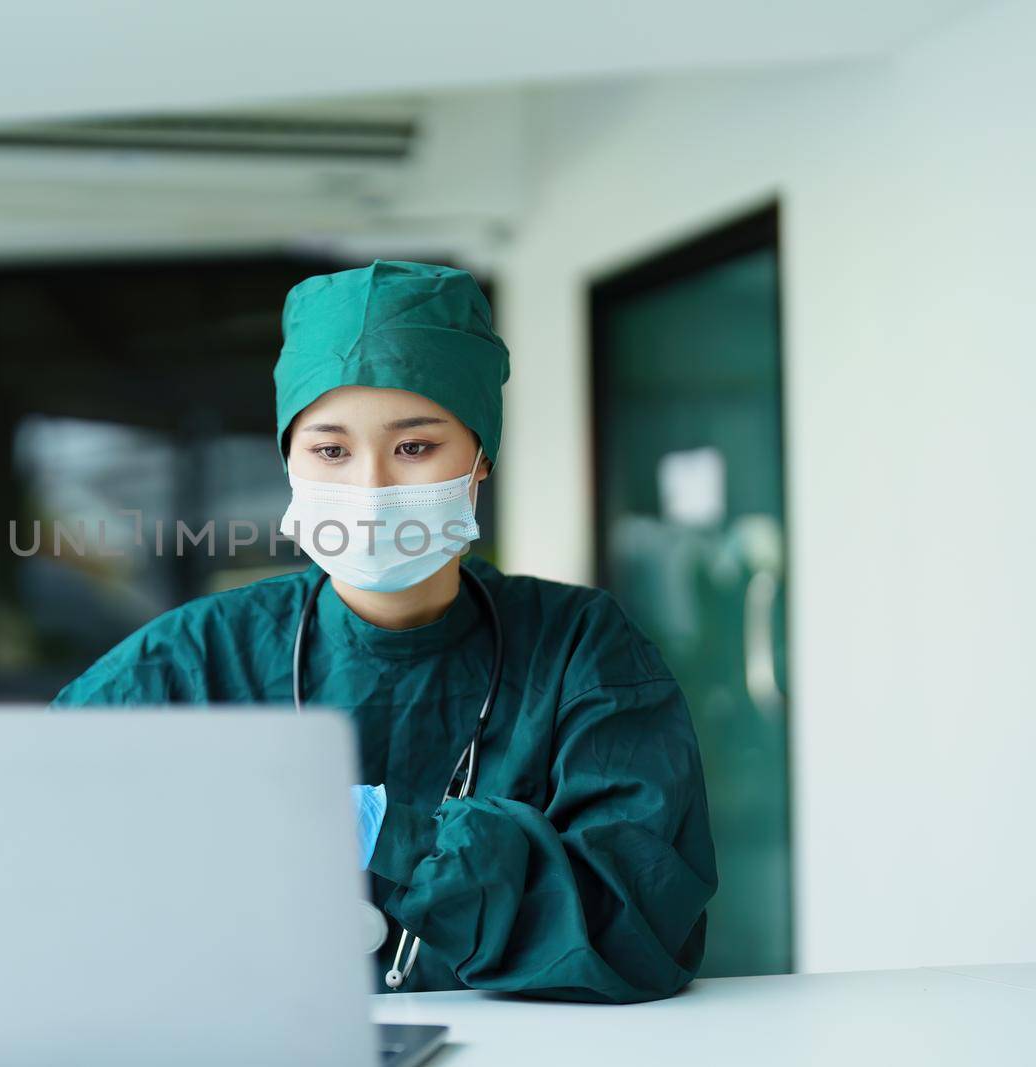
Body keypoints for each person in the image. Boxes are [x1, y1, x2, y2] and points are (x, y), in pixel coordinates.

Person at [51, 260, 717, 1002]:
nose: (369, 491)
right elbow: (24, 847)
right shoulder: (190, 662)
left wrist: (391, 834)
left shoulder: (582, 653)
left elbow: (641, 925)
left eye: (414, 447)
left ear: (480, 458)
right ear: (290, 464)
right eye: (331, 451)